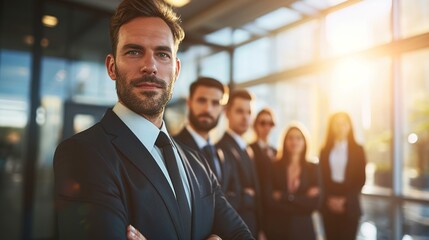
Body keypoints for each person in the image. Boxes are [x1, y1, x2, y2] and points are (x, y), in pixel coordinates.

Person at [53, 0, 254, 239]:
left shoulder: (197, 163)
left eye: (162, 54)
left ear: (176, 70)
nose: (150, 66)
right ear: (111, 67)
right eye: (134, 51)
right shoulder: (83, 154)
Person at [173, 77, 239, 199]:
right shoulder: (172, 148)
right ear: (189, 103)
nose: (208, 109)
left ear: (222, 110)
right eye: (202, 101)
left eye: (215, 103)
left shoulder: (221, 152)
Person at [216, 89, 262, 238]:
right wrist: (247, 196)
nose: (245, 117)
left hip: (252, 229)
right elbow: (221, 197)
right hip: (234, 232)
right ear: (227, 113)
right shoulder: (220, 149)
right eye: (239, 111)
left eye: (249, 112)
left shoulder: (248, 149)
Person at [263, 124, 321, 240]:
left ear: (304, 142)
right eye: (290, 138)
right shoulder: (273, 166)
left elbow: (316, 203)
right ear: (284, 141)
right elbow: (269, 200)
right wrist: (302, 200)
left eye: (298, 138)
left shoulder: (313, 168)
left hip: (304, 230)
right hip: (278, 230)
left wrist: (285, 197)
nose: (294, 141)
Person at [319, 112, 366, 240]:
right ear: (332, 127)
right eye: (337, 124)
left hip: (350, 204)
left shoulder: (358, 150)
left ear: (350, 126)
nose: (340, 127)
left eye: (344, 124)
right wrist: (330, 199)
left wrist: (344, 200)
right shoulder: (324, 150)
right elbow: (321, 178)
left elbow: (361, 179)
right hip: (328, 203)